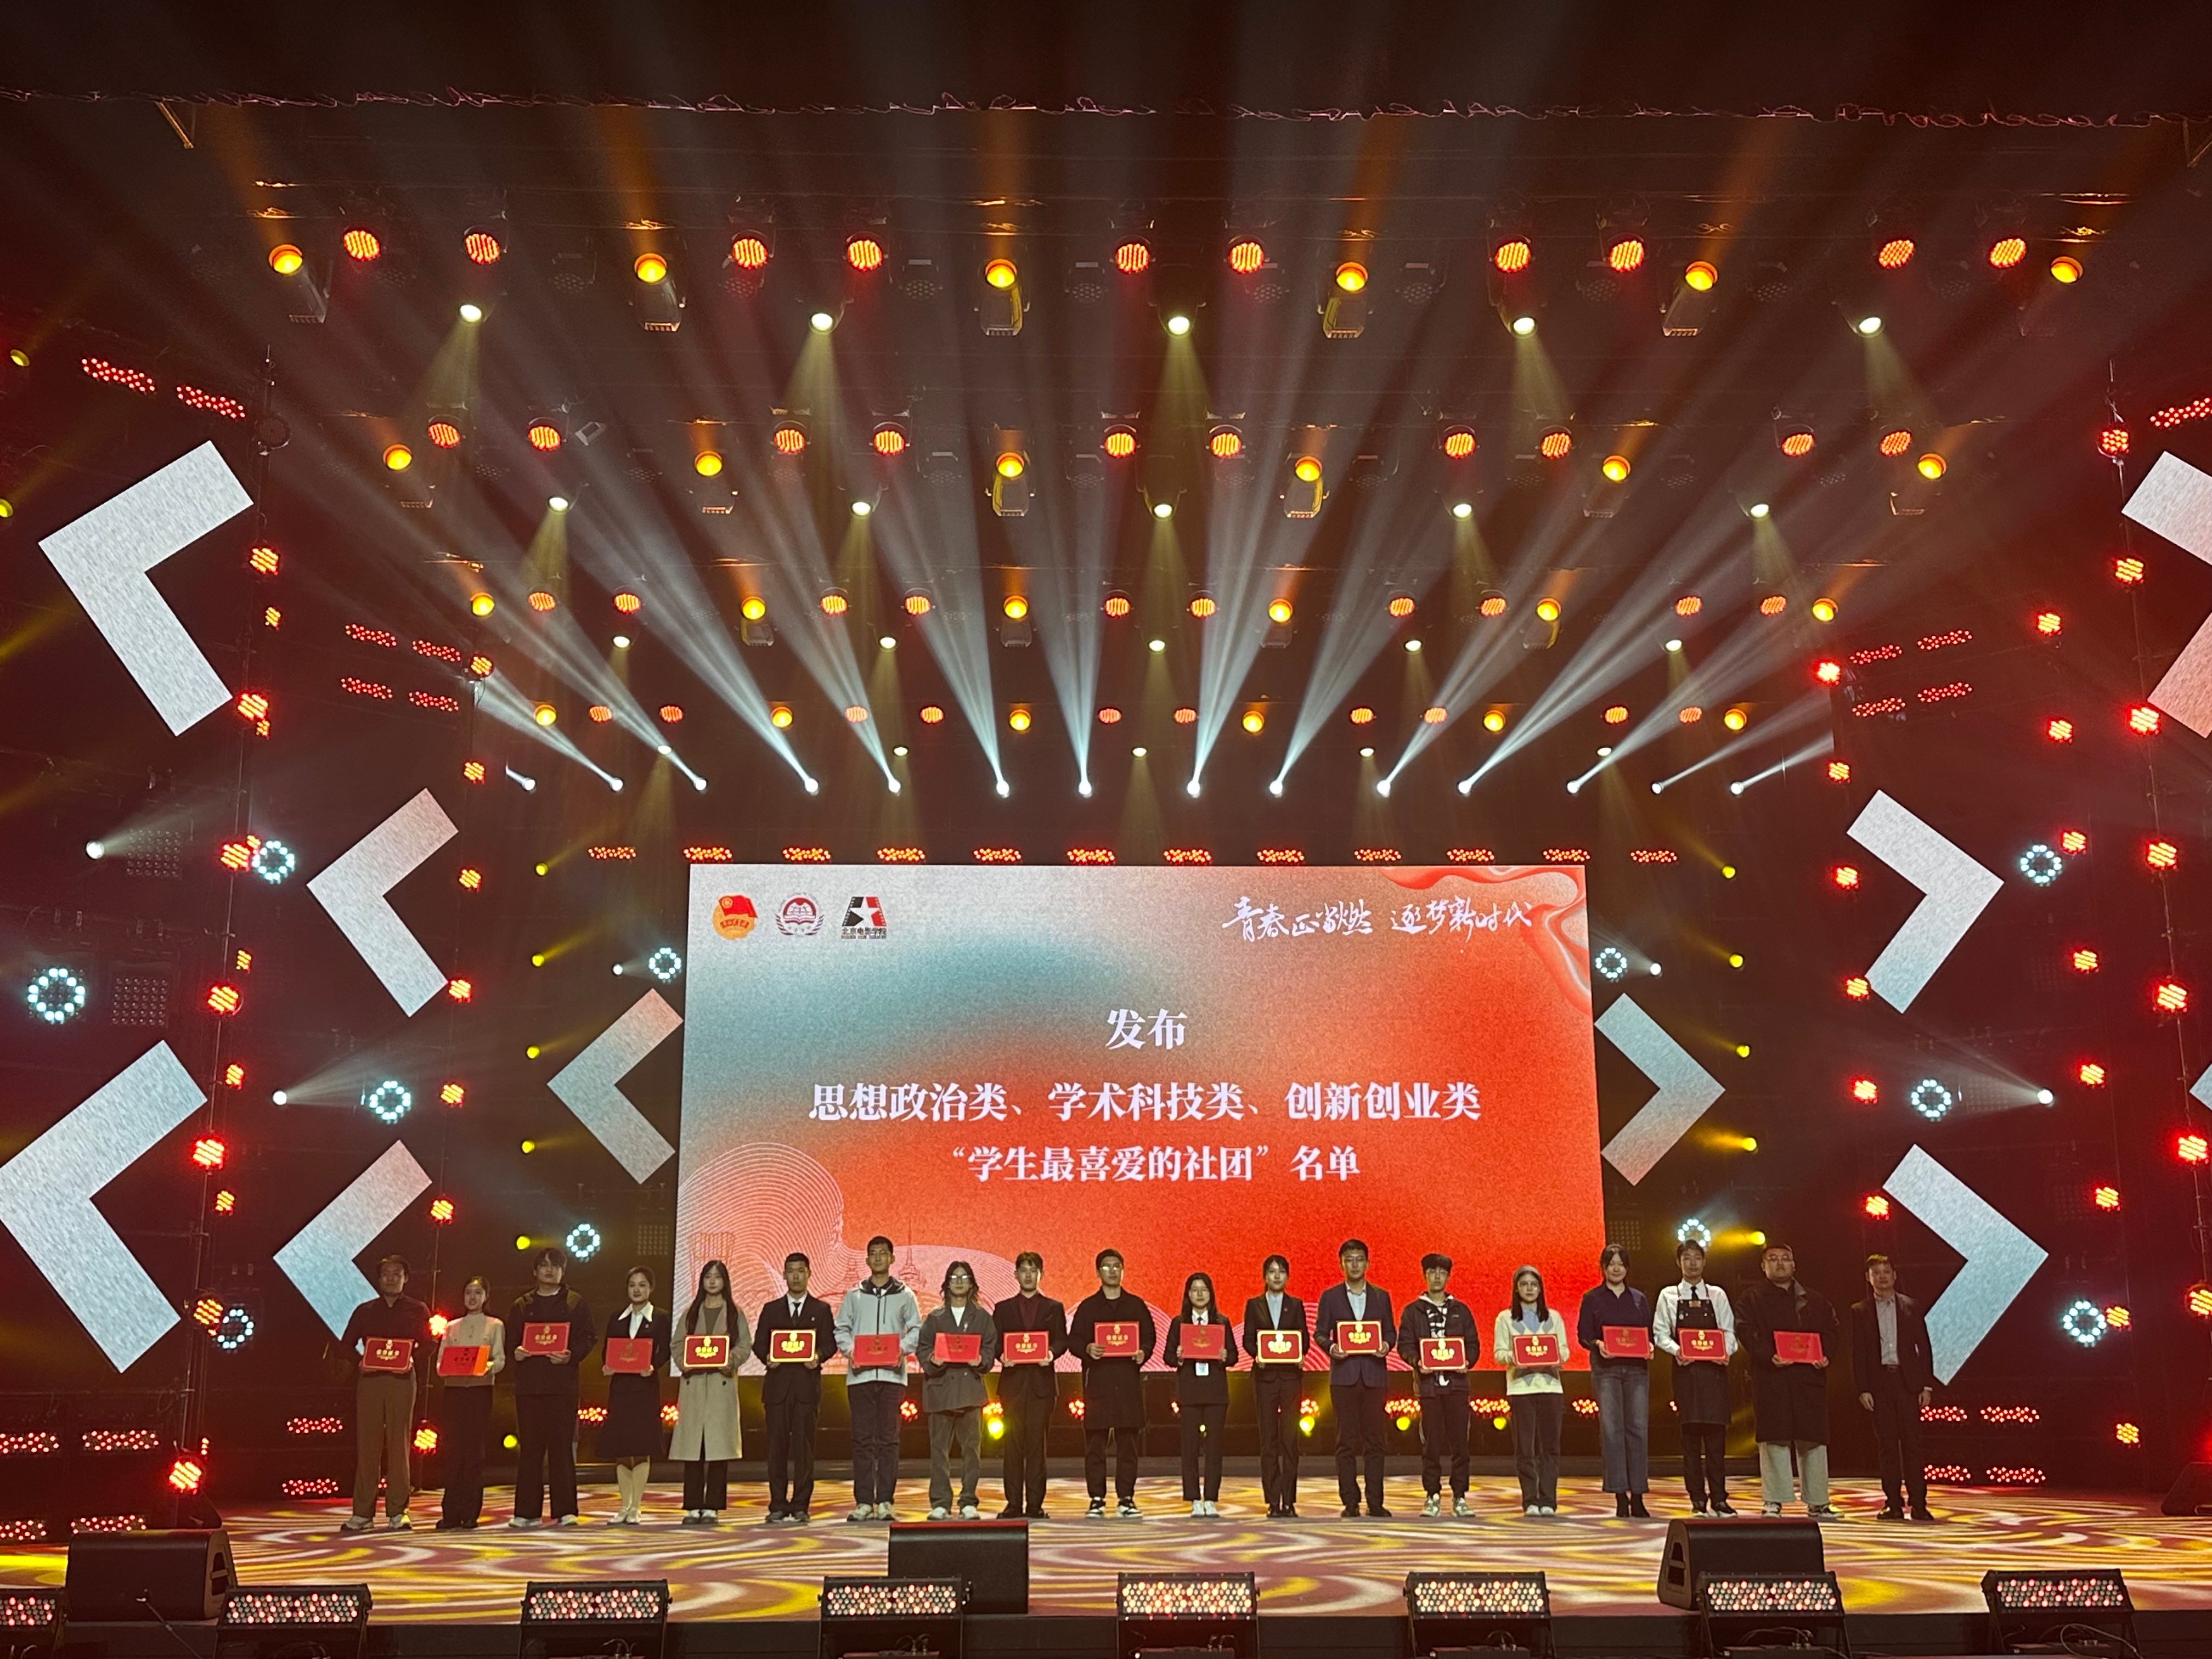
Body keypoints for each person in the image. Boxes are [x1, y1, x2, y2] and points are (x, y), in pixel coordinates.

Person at [1736, 1242, 1841, 1521]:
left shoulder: (1814, 1299)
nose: (1780, 1263)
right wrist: (1768, 1355)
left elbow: (1832, 1331)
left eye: (1785, 1258)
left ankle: (1818, 1502)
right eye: (1773, 1259)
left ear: (1794, 1265)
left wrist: (1826, 1355)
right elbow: (1746, 1331)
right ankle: (1774, 1500)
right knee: (1774, 1441)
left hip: (1809, 1378)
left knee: (1814, 1441)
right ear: (1763, 1266)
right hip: (1771, 1376)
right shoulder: (1752, 1298)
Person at [338, 1254, 431, 1533]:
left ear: (406, 1279)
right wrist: (360, 1362)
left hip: (402, 1381)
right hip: (370, 1381)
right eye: (386, 1274)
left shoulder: (418, 1309)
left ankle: (398, 1512)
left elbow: (429, 1344)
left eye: (397, 1274)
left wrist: (412, 1359)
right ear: (379, 1280)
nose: (391, 1279)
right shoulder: (365, 1311)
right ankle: (362, 1514)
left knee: (399, 1444)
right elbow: (345, 1345)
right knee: (367, 1444)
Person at [505, 1246, 595, 1528]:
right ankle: (527, 1512)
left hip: (562, 1387)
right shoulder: (522, 1305)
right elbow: (510, 1341)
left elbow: (588, 1338)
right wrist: (516, 1352)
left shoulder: (575, 1302)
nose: (549, 1270)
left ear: (563, 1271)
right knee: (530, 1450)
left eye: (555, 1266)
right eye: (544, 1265)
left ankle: (566, 1510)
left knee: (562, 1450)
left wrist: (571, 1354)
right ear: (535, 1271)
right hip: (529, 1388)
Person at [836, 1234, 922, 1521]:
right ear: (867, 1259)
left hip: (892, 1377)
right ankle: (863, 1502)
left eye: (883, 1253)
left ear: (892, 1259)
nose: (878, 1258)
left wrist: (902, 1350)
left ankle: (885, 1500)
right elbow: (841, 1329)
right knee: (862, 1440)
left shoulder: (906, 1295)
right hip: (859, 1377)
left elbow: (917, 1329)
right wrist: (851, 1351)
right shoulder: (854, 1295)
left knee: (889, 1440)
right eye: (873, 1253)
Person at [752, 1251, 839, 1525]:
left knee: (804, 1450)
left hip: (806, 1389)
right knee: (776, 1450)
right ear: (784, 1275)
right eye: (791, 1271)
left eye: (801, 1271)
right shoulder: (771, 1309)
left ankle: (801, 1505)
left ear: (809, 1274)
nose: (796, 1276)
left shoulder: (821, 1310)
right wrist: (768, 1357)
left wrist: (818, 1357)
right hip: (777, 1390)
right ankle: (778, 1504)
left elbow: (830, 1344)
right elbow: (759, 1344)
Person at [1069, 1247, 1156, 1517]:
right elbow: (1074, 1341)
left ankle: (1126, 1498)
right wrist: (1088, 1349)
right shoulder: (1088, 1307)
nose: (1112, 1271)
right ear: (1098, 1272)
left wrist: (1143, 1352)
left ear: (1123, 1270)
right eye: (1107, 1267)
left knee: (1128, 1445)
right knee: (1096, 1446)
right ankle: (1096, 1498)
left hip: (1128, 1384)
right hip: (1099, 1385)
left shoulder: (1136, 1305)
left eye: (1117, 1266)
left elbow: (1149, 1338)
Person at [1652, 1239, 1737, 1516]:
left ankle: (1720, 1498)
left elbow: (1729, 1332)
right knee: (1690, 1442)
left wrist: (1725, 1352)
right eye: (1687, 1258)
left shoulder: (1717, 1295)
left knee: (1716, 1442)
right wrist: (1677, 1351)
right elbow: (1660, 1334)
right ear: (1679, 1262)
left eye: (1697, 1258)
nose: (1692, 1263)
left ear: (1704, 1262)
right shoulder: (1669, 1295)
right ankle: (1697, 1500)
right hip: (1686, 1373)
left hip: (1714, 1374)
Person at [1850, 1254, 1937, 1522]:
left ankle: (1919, 1503)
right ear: (1868, 1278)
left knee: (1912, 1444)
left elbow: (1924, 1348)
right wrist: (1863, 1388)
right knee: (1887, 1445)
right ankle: (1893, 1503)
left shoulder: (1912, 1306)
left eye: (1886, 1272)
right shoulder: (1860, 1310)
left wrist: (1926, 1385)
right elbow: (1859, 1353)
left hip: (1907, 1383)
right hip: (1879, 1384)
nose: (1882, 1277)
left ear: (1895, 1276)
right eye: (1876, 1273)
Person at [1314, 1238, 1397, 1518]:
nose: (1355, 1264)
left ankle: (1376, 1501)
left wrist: (1386, 1345)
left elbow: (1390, 1332)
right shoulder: (1330, 1297)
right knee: (1346, 1442)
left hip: (1374, 1377)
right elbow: (1320, 1333)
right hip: (1344, 1377)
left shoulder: (1381, 1296)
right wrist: (1331, 1348)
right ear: (1341, 1265)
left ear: (1368, 1263)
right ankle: (1350, 1501)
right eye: (1349, 1260)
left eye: (1359, 1259)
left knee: (1376, 1442)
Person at [1396, 1252, 1478, 1517]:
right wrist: (1417, 1361)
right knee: (1431, 1445)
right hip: (1429, 1388)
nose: (1437, 1277)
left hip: (1457, 1387)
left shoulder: (1460, 1311)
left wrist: (1468, 1361)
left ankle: (1459, 1496)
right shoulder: (1413, 1311)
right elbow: (1405, 1345)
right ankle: (1432, 1495)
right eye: (1432, 1272)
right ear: (1425, 1275)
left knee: (1460, 1445)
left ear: (1448, 1277)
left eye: (1442, 1273)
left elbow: (1473, 1344)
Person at [918, 1261, 1000, 1519]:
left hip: (970, 1390)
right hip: (940, 1389)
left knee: (972, 1451)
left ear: (972, 1284)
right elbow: (923, 1348)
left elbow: (990, 1349)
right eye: (954, 1277)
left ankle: (968, 1501)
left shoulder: (982, 1318)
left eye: (964, 1278)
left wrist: (982, 1361)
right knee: (939, 1451)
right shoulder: (934, 1318)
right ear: (947, 1284)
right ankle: (940, 1502)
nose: (959, 1282)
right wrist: (932, 1359)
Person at [1577, 1244, 1653, 1518]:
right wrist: (1598, 1344)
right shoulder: (1592, 1298)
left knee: (1638, 1430)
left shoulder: (1638, 1299)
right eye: (1611, 1264)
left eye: (1621, 1264)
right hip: (1606, 1370)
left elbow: (1648, 1333)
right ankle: (1620, 1495)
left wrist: (1650, 1346)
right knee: (1612, 1431)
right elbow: (1584, 1334)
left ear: (1627, 1268)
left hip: (1637, 1371)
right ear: (1603, 1268)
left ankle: (1639, 1495)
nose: (1617, 1268)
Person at [671, 1258, 748, 1525]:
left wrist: (731, 1361)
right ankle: (693, 1506)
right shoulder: (690, 1313)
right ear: (702, 1282)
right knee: (694, 1450)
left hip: (720, 1386)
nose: (713, 1282)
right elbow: (677, 1344)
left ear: (725, 1282)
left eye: (717, 1277)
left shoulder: (735, 1313)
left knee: (717, 1450)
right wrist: (683, 1362)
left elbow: (745, 1345)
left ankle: (713, 1506)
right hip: (694, 1386)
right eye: (708, 1277)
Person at [991, 1251, 1068, 1518]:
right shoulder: (1003, 1309)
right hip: (1012, 1386)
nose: (1028, 1275)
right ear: (1015, 1275)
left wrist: (1051, 1354)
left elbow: (1061, 1340)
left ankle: (1035, 1505)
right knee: (1012, 1447)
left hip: (1041, 1387)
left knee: (1037, 1447)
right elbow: (995, 1342)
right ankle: (1013, 1504)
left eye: (1033, 1271)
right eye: (1023, 1270)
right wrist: (1001, 1355)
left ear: (1041, 1275)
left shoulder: (1054, 1307)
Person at [1493, 1265, 1570, 1516]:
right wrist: (1515, 1357)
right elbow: (1499, 1353)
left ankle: (1548, 1500)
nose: (1529, 1289)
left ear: (1540, 1289)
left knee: (1550, 1448)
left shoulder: (1553, 1318)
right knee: (1525, 1449)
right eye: (1524, 1284)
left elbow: (1565, 1352)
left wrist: (1555, 1358)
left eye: (1534, 1285)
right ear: (1516, 1289)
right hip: (1520, 1390)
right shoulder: (1505, 1319)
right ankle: (1530, 1500)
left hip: (1551, 1388)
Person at [1164, 1272, 1239, 1516]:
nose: (1199, 1294)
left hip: (1216, 1392)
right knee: (1190, 1447)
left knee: (1214, 1447)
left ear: (1211, 1294)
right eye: (1195, 1290)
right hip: (1189, 1391)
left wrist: (1226, 1356)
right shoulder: (1179, 1323)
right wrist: (1178, 1356)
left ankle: (1211, 1498)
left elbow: (1234, 1355)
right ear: (1188, 1294)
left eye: (1204, 1289)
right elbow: (1167, 1357)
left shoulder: (1222, 1322)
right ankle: (1194, 1498)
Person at [434, 1274, 505, 1531]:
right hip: (454, 1393)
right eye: (468, 1293)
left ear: (486, 1297)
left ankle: (470, 1513)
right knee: (453, 1452)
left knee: (474, 1453)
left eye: (478, 1293)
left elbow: (500, 1360)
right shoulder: (452, 1327)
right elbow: (440, 1364)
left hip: (479, 1392)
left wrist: (485, 1367)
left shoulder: (495, 1325)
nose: (472, 1298)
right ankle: (450, 1513)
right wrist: (450, 1368)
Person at [599, 1266, 668, 1526]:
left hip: (645, 1389)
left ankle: (636, 1506)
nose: (637, 1290)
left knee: (641, 1447)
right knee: (622, 1447)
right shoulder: (617, 1317)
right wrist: (607, 1365)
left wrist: (653, 1366)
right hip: (620, 1389)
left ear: (651, 1288)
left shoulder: (660, 1317)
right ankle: (624, 1505)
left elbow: (664, 1351)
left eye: (642, 1285)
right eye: (632, 1285)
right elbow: (608, 1349)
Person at [1242, 1255, 1307, 1518]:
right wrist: (1257, 1355)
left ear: (1288, 1276)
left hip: (1290, 1379)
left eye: (1281, 1272)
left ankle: (1289, 1501)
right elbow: (1249, 1339)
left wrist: (1299, 1353)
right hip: (1265, 1379)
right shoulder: (1254, 1305)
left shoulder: (1296, 1305)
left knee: (1290, 1440)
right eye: (1272, 1272)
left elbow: (1303, 1339)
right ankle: (1272, 1500)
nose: (1277, 1276)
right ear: (1265, 1276)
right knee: (1268, 1441)